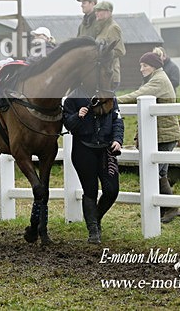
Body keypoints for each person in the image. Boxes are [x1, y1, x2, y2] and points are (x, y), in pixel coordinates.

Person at [117, 52, 180, 223]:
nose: (141, 69)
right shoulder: (158, 77)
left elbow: (137, 95)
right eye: (140, 66)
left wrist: (113, 100)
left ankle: (170, 208)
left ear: (153, 66)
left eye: (144, 65)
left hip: (164, 134)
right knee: (159, 172)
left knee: (157, 172)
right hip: (163, 133)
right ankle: (165, 208)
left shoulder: (158, 80)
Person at [63, 85, 124, 244]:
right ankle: (93, 231)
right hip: (83, 149)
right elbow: (68, 124)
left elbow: (117, 120)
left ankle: (95, 219)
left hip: (106, 149)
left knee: (112, 190)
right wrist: (78, 116)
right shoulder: (73, 98)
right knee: (90, 190)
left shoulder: (109, 94)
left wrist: (118, 139)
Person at [93, 1, 126, 89]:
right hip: (102, 75)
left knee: (109, 102)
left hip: (110, 75)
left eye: (99, 10)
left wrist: (103, 55)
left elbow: (120, 51)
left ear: (108, 12)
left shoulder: (113, 28)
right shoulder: (102, 28)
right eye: (96, 10)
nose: (96, 13)